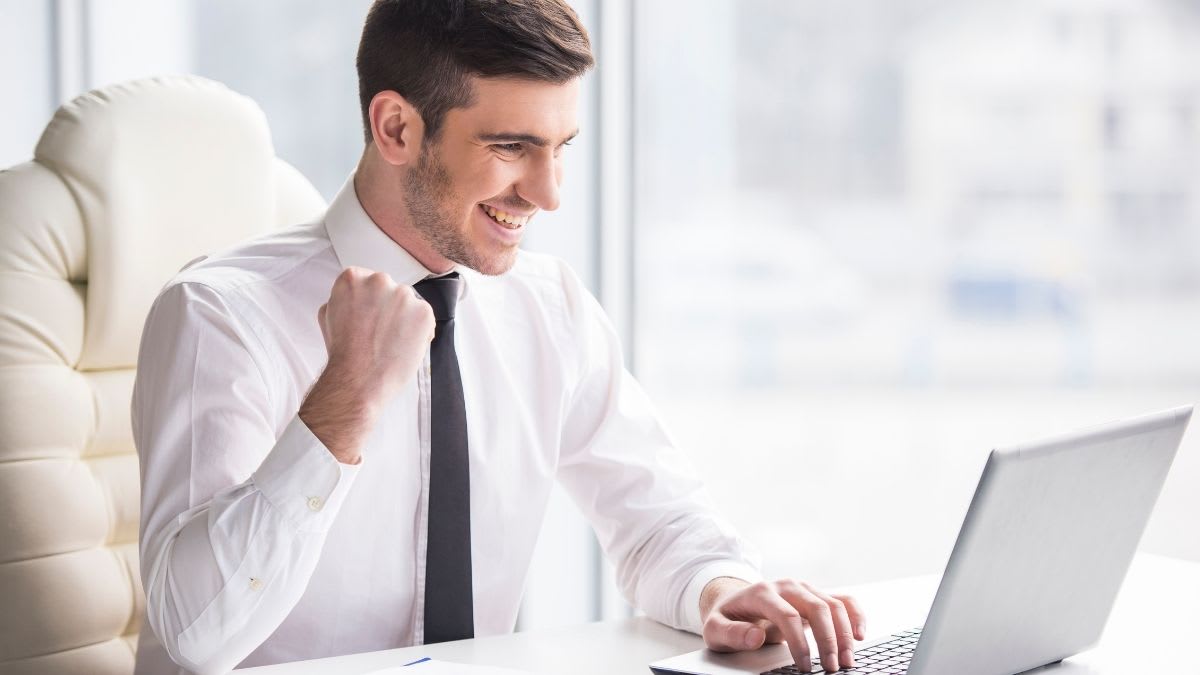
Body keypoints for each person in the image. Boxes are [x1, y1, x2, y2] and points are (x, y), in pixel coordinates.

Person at [133, 1, 864, 673]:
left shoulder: (549, 308)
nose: (548, 194)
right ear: (396, 128)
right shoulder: (222, 313)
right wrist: (342, 402)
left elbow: (661, 520)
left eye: (561, 147)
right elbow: (197, 635)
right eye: (513, 146)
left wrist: (722, 587)